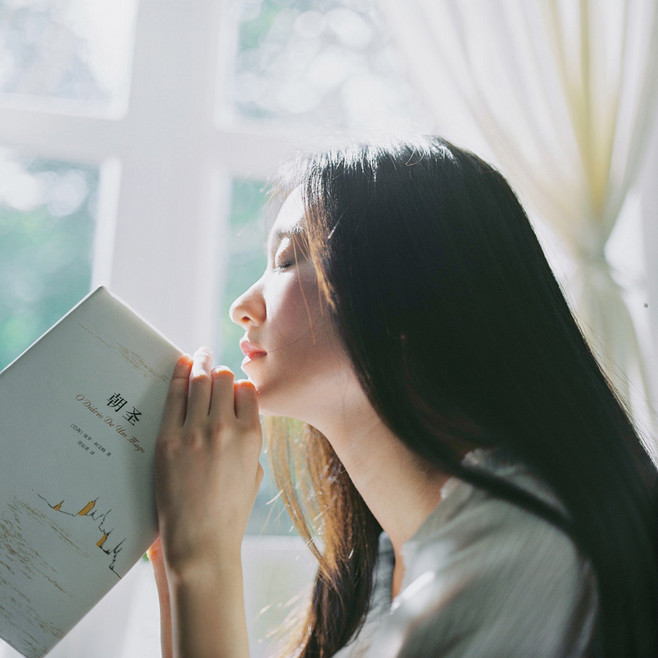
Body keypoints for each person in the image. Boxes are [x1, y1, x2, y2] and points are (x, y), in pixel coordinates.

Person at [148, 137, 658, 657]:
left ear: (404, 301)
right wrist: (179, 563)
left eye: (285, 260)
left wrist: (202, 560)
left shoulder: (520, 539)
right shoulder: (377, 577)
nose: (241, 306)